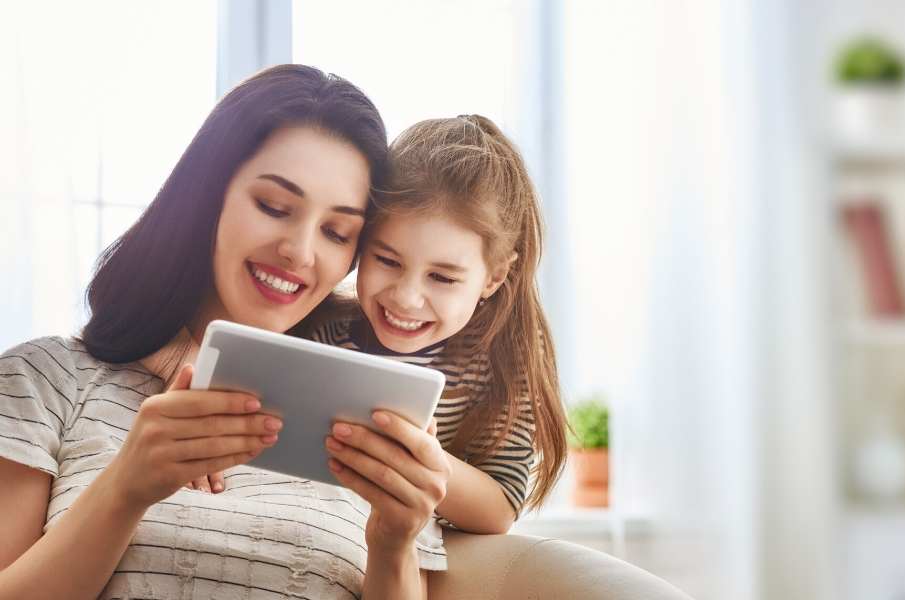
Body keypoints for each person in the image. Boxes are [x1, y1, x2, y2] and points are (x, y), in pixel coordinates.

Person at [0, 64, 448, 600]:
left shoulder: (375, 421)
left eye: (336, 232)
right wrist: (125, 488)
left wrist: (394, 545)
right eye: (274, 207)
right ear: (208, 194)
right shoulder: (44, 381)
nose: (301, 252)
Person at [311, 115, 569, 533]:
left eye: (443, 278)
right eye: (387, 261)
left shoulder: (503, 360)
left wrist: (415, 459)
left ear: (494, 277)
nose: (406, 297)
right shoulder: (323, 330)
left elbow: (499, 510)